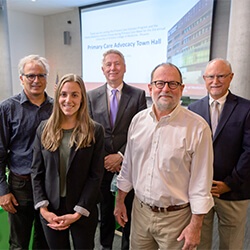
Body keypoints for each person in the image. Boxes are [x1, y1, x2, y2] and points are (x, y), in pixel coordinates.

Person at [114, 62, 214, 250]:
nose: (165, 89)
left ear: (182, 88)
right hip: (140, 213)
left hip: (177, 219)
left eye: (172, 84)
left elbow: (201, 183)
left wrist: (196, 225)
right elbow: (128, 167)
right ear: (150, 88)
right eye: (160, 83)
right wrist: (120, 201)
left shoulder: (198, 128)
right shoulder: (138, 121)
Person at [31, 74, 104, 249]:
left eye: (74, 94)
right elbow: (36, 171)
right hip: (51, 209)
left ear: (82, 98)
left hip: (82, 207)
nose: (68, 100)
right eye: (63, 94)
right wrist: (43, 209)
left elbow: (96, 175)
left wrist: (78, 212)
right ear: (57, 97)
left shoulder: (95, 131)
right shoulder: (44, 128)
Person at [87, 49, 147, 250]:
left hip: (128, 163)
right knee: (104, 212)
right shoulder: (91, 96)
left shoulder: (137, 95)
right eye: (109, 64)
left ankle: (126, 246)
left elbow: (140, 130)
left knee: (128, 210)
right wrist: (106, 158)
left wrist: (120, 156)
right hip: (101, 164)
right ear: (103, 69)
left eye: (117, 64)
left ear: (124, 68)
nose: (113, 68)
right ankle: (105, 246)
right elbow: (88, 131)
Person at [188, 58, 250, 250]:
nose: (215, 81)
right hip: (201, 191)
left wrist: (229, 184)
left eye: (221, 76)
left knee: (231, 245)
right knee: (200, 243)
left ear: (230, 78)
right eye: (211, 76)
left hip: (234, 191)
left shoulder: (246, 109)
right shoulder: (193, 110)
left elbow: (249, 152)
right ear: (204, 79)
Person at [0, 54, 52, 249]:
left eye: (41, 75)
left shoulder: (57, 109)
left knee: (45, 241)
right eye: (30, 76)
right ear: (21, 78)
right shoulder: (7, 108)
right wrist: (2, 191)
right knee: (19, 243)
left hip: (49, 185)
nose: (36, 80)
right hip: (20, 186)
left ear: (46, 78)